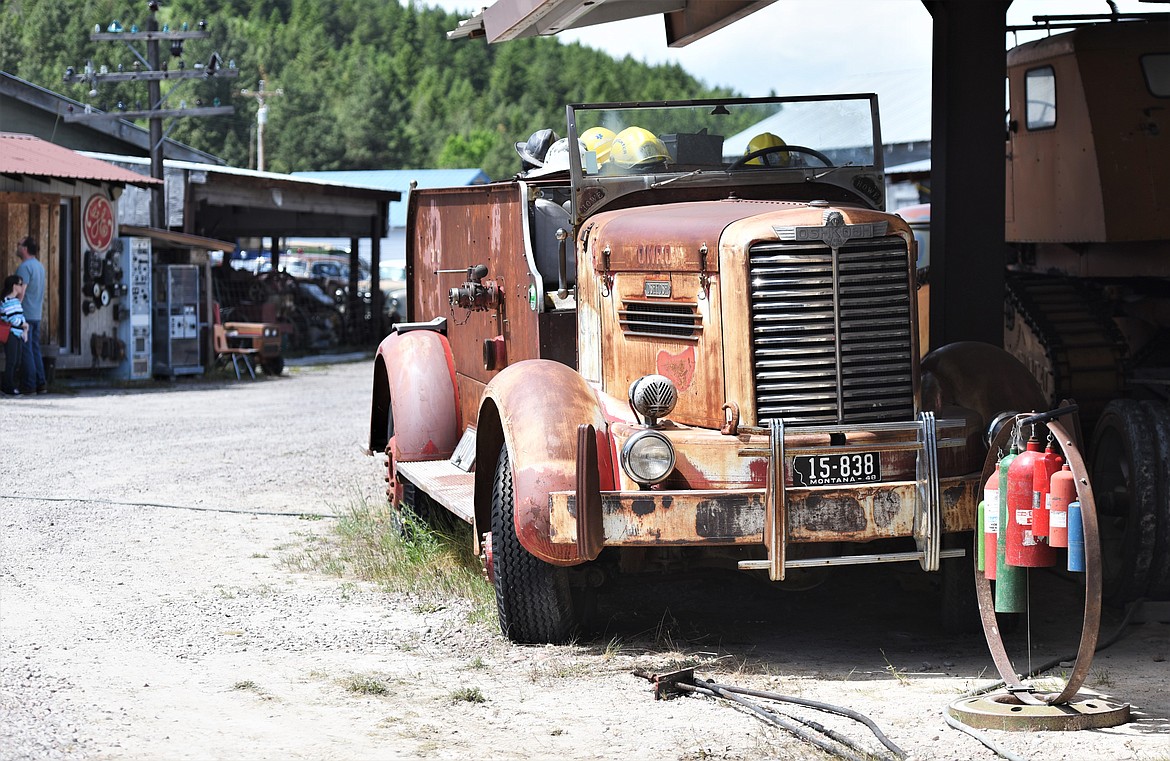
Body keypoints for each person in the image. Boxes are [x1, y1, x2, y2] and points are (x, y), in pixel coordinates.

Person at [15, 235, 46, 394]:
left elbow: (21, 292)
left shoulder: (24, 267)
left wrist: (13, 310)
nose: (17, 246)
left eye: (19, 244)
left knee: (26, 350)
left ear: (25, 249)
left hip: (25, 314)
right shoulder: (40, 267)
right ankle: (41, 383)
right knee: (35, 349)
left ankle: (29, 385)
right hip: (36, 314)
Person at [1, 274, 28, 397]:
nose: (22, 287)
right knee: (11, 360)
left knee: (17, 360)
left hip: (18, 334)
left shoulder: (16, 301)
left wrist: (24, 329)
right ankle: (8, 387)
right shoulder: (6, 301)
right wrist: (24, 325)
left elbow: (20, 315)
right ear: (14, 286)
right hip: (11, 333)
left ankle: (11, 384)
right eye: (20, 284)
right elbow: (12, 319)